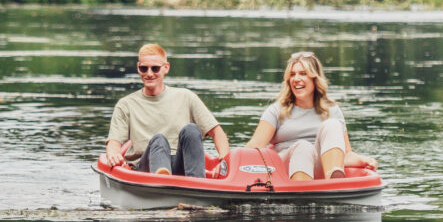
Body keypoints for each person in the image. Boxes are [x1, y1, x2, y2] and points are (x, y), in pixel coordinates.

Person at [104, 42, 230, 177]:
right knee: (159, 140)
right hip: (145, 169)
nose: (149, 73)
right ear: (138, 68)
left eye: (155, 68)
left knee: (191, 130)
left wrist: (223, 161)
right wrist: (113, 155)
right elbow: (114, 143)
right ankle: (163, 181)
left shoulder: (186, 97)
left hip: (178, 165)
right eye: (144, 68)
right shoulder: (126, 104)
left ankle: (197, 184)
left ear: (166, 68)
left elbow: (217, 133)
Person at [245, 50, 372, 181]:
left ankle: (334, 184)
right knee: (303, 147)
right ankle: (301, 196)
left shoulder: (332, 110)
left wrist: (362, 160)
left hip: (319, 167)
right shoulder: (276, 111)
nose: (296, 79)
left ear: (314, 78)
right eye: (292, 74)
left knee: (332, 124)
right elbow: (254, 147)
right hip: (284, 169)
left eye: (303, 74)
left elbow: (346, 154)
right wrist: (228, 162)